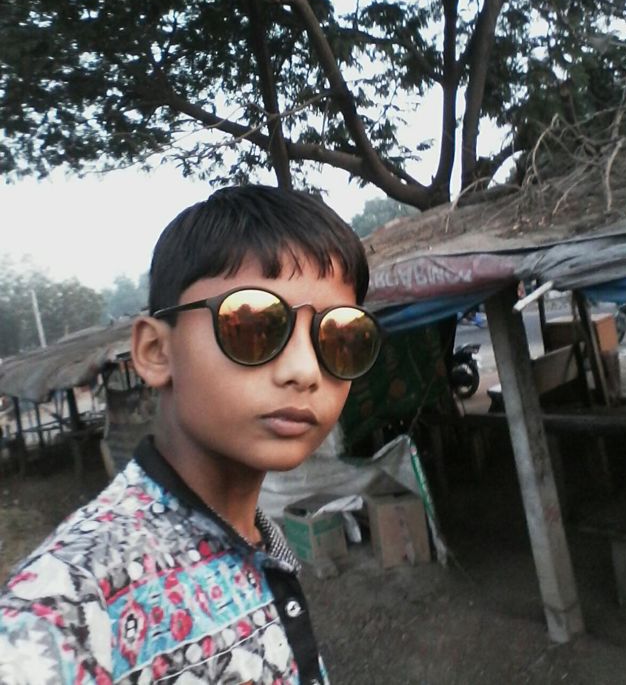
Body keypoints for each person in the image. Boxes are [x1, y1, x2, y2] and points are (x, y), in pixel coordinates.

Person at [0, 185, 382, 685]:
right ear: (156, 351)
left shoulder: (255, 537)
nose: (306, 371)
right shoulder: (66, 609)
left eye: (340, 337)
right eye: (254, 326)